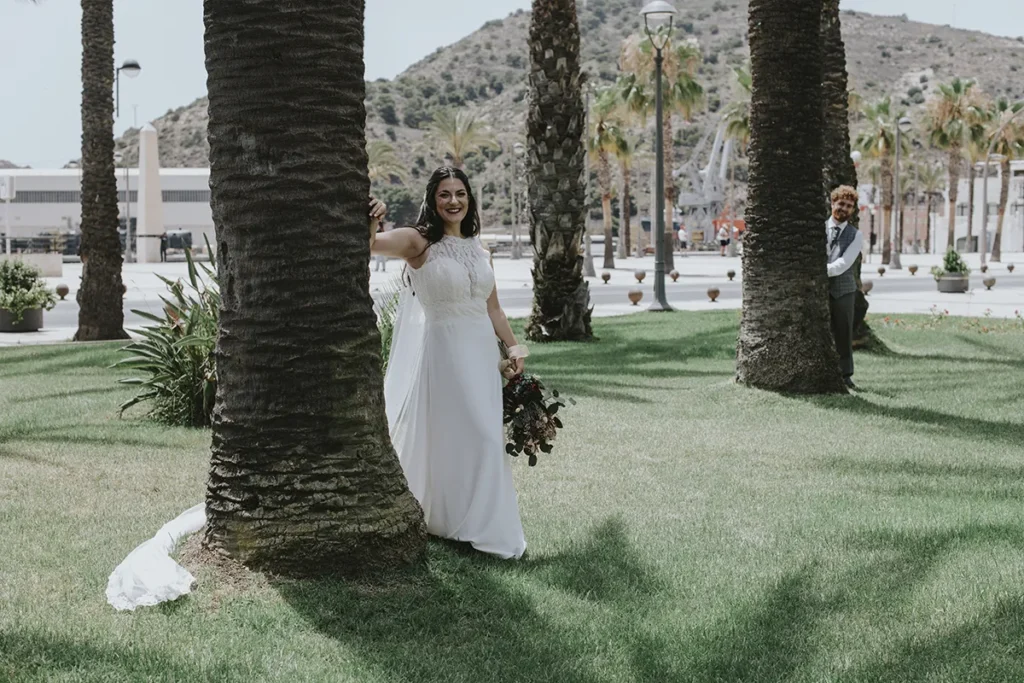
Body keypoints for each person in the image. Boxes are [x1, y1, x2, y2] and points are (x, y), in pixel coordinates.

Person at [370, 166, 527, 560]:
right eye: (444, 194)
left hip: (482, 355)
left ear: (469, 199)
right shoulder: (417, 241)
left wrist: (513, 349)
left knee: (483, 437)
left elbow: (493, 309)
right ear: (432, 200)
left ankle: (471, 523)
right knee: (467, 436)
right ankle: (466, 525)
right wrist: (373, 217)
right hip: (444, 352)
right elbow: (370, 245)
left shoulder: (479, 249)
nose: (453, 201)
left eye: (460, 193)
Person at [826, 185, 864, 390]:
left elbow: (845, 262)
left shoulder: (855, 235)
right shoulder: (819, 229)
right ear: (833, 203)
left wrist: (820, 271)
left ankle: (846, 375)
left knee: (843, 332)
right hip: (818, 290)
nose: (844, 208)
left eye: (849, 206)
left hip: (844, 291)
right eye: (841, 203)